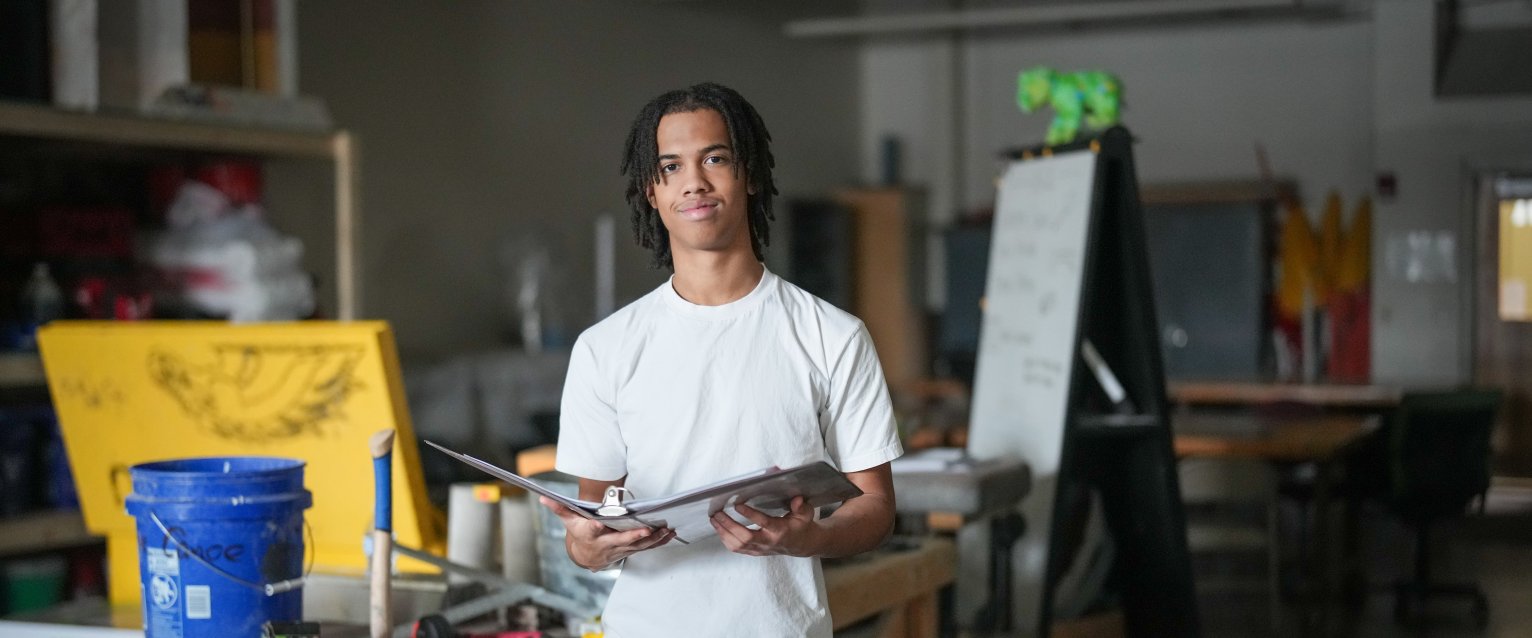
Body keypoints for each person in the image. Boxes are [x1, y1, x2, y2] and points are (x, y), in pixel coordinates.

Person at [540, 82, 903, 636]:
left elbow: (876, 506)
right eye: (671, 167)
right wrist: (588, 548)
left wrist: (815, 537)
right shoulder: (605, 348)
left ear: (751, 175)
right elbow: (596, 524)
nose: (694, 182)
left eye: (715, 158)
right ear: (652, 193)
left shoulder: (834, 335)